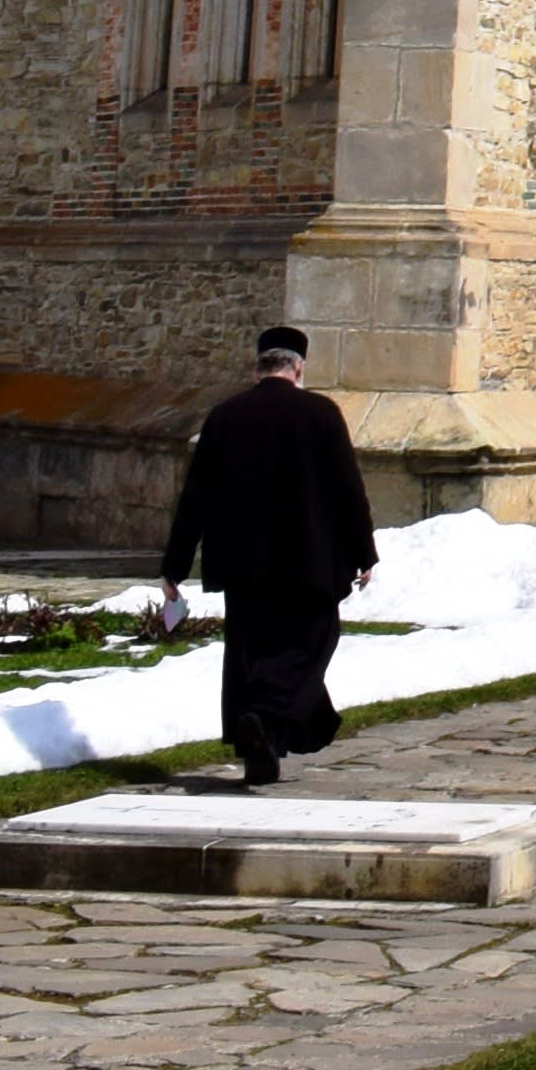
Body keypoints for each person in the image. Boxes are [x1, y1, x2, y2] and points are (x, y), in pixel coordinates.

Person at [155, 322, 378, 790]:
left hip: (243, 565)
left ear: (259, 366)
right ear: (298, 368)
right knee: (310, 643)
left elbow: (195, 496)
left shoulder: (224, 416)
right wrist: (364, 553)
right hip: (310, 561)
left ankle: (263, 750)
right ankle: (263, 715)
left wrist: (175, 565)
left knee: (251, 652)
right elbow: (347, 489)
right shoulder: (321, 414)